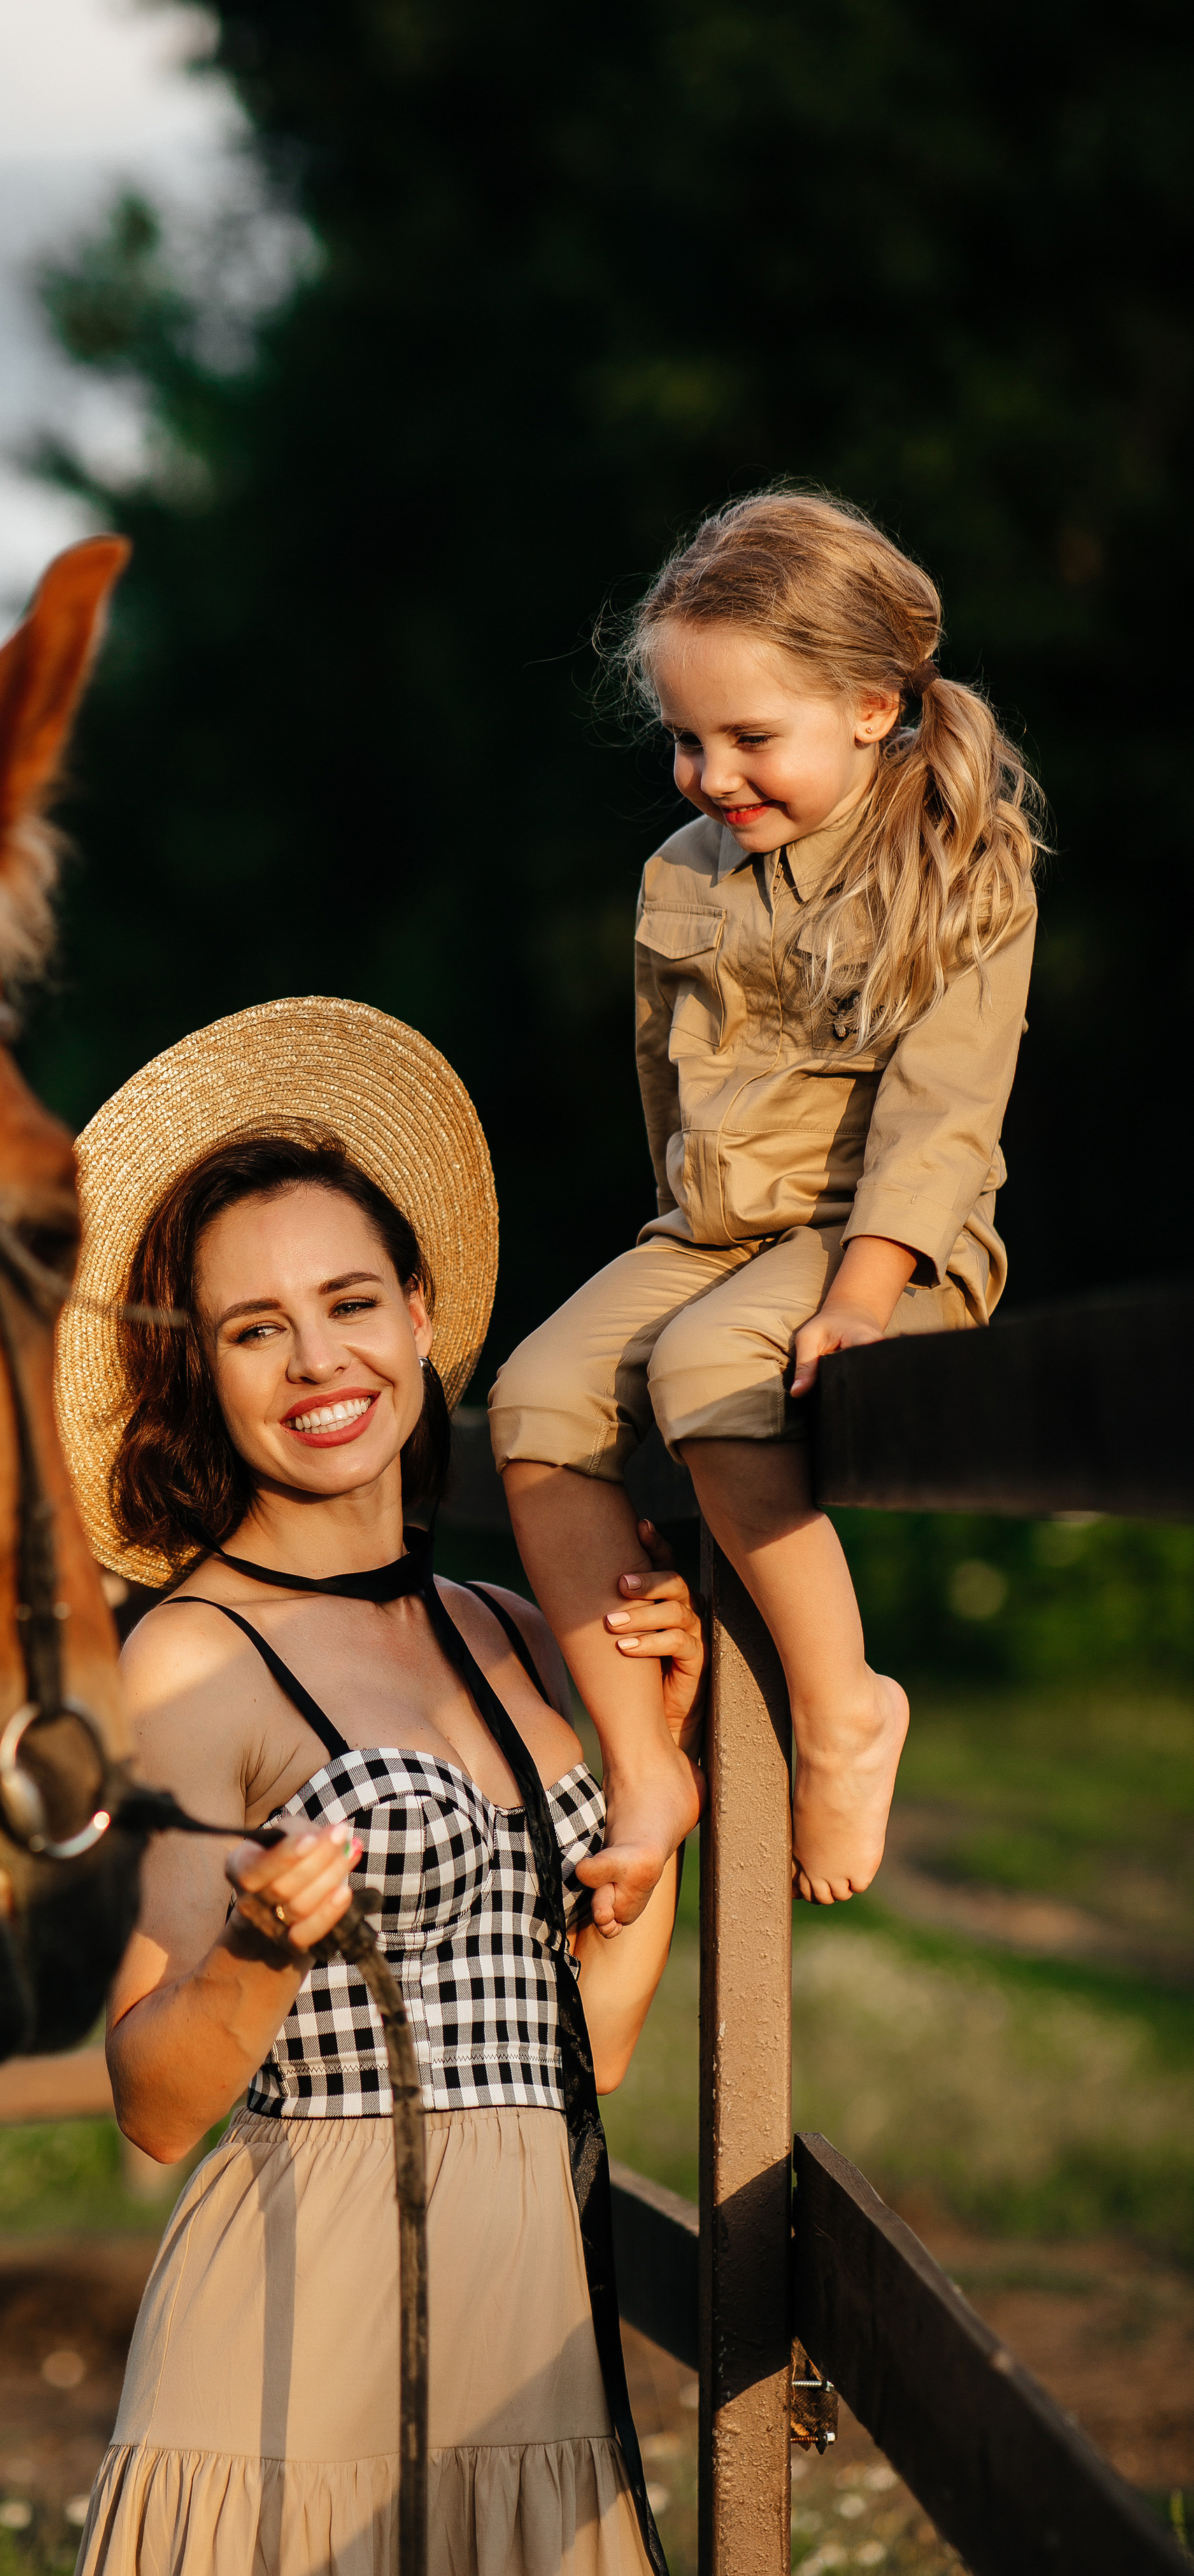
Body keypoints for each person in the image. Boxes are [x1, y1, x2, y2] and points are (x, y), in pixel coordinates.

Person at [52, 996, 700, 2576]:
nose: (319, 1363)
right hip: (293, 2376)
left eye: (349, 1304)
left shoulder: (513, 1626)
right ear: (198, 1368)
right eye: (252, 1329)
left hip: (529, 2360)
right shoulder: (194, 1657)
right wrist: (259, 1958)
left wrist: (662, 1768)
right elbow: (148, 2101)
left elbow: (594, 2045)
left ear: (422, 1317)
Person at [490, 490, 1042, 1927]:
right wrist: (660, 1245)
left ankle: (841, 1703)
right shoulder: (676, 876)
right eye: (684, 738)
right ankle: (640, 1758)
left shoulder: (960, 867)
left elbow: (938, 1118)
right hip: (707, 1237)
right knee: (537, 1396)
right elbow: (657, 1090)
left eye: (748, 738)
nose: (706, 772)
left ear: (869, 709)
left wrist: (860, 1300)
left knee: (707, 1366)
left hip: (882, 1248)